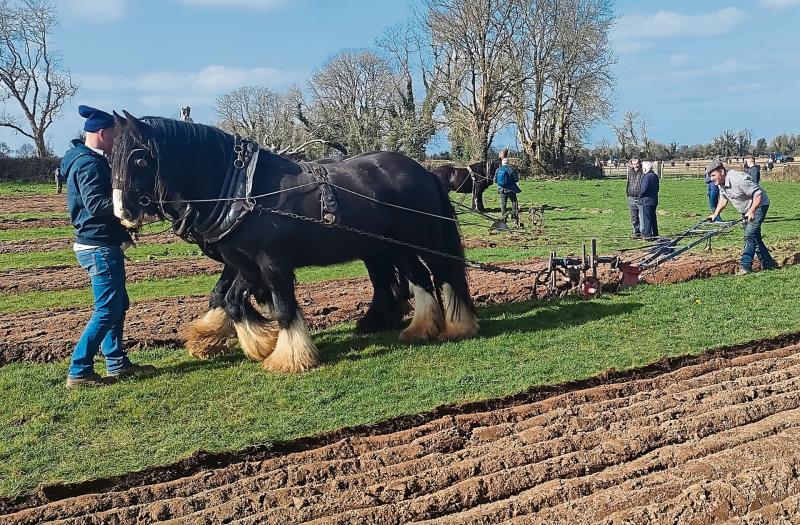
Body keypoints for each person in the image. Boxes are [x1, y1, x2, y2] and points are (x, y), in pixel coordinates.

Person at [61, 105, 154, 388]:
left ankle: (116, 362)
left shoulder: (84, 158)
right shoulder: (89, 164)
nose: (118, 143)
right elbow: (95, 204)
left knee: (117, 305)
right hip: (98, 247)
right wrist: (131, 207)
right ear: (102, 134)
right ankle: (79, 370)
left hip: (100, 244)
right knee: (106, 310)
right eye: (115, 136)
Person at [706, 159, 777, 274]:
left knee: (749, 235)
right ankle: (768, 263)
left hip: (759, 205)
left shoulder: (738, 180)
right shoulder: (720, 183)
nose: (712, 178)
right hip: (746, 209)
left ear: (722, 172)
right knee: (755, 237)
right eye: (710, 176)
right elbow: (723, 199)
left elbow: (758, 194)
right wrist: (715, 214)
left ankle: (745, 266)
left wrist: (752, 211)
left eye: (713, 175)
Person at [494, 150, 522, 227]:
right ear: (508, 163)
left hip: (501, 190)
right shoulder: (512, 169)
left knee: (503, 204)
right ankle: (514, 217)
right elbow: (516, 179)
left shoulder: (498, 170)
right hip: (511, 190)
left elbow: (495, 180)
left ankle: (504, 218)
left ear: (502, 163)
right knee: (514, 202)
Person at [639, 161, 660, 239]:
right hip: (654, 199)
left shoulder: (647, 177)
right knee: (653, 217)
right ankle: (655, 234)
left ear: (645, 168)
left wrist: (640, 195)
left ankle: (647, 235)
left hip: (647, 200)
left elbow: (643, 189)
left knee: (647, 218)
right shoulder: (655, 176)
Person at [625, 158, 644, 238]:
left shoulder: (643, 172)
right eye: (634, 164)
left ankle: (643, 232)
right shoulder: (630, 172)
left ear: (640, 163)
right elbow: (628, 183)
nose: (636, 166)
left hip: (640, 197)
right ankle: (636, 232)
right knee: (634, 217)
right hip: (631, 197)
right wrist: (628, 193)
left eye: (637, 164)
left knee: (642, 216)